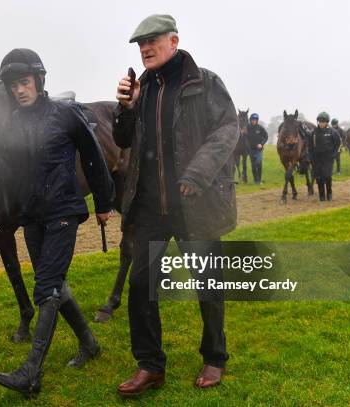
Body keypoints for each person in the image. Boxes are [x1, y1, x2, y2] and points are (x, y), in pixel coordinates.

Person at [0, 48, 115, 397]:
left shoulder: (64, 115)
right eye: (13, 85)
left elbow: (94, 157)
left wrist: (104, 202)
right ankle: (90, 345)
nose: (19, 90)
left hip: (64, 211)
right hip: (32, 215)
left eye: (24, 82)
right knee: (55, 287)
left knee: (46, 287)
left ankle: (30, 372)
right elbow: (8, 170)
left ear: (38, 80)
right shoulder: (12, 125)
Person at [112, 14, 239, 397]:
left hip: (195, 204)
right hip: (152, 207)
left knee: (208, 285)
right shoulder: (143, 88)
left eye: (152, 41)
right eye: (140, 44)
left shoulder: (206, 82)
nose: (145, 49)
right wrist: (126, 107)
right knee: (140, 284)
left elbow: (228, 128)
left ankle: (214, 356)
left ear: (174, 41)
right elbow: (123, 137)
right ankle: (151, 366)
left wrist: (196, 174)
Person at [309, 112, 341, 201]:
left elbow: (338, 144)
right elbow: (310, 146)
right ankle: (321, 196)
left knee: (327, 176)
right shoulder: (313, 133)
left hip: (328, 158)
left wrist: (333, 155)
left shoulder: (333, 132)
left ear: (327, 122)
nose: (321, 123)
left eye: (323, 121)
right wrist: (311, 157)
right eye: (319, 121)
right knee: (319, 177)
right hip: (317, 159)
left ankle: (329, 193)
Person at [245, 113, 268, 184]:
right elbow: (245, 137)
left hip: (259, 150)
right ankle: (256, 181)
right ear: (250, 120)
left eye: (255, 120)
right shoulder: (247, 128)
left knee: (258, 163)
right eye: (252, 119)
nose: (253, 121)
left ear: (257, 120)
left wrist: (261, 144)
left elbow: (266, 136)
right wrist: (243, 133)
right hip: (251, 149)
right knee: (253, 165)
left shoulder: (260, 128)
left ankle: (259, 179)